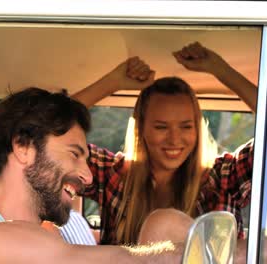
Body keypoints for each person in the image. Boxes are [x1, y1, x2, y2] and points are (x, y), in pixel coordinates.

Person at [0, 87, 187, 264]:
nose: (88, 177)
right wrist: (195, 254)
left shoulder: (37, 236)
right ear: (23, 147)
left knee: (164, 223)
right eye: (74, 154)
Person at [73, 42, 257, 245]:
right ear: (141, 129)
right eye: (161, 127)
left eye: (186, 127)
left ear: (197, 129)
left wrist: (221, 69)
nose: (174, 139)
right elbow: (43, 135)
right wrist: (112, 82)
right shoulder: (114, 175)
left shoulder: (224, 179)